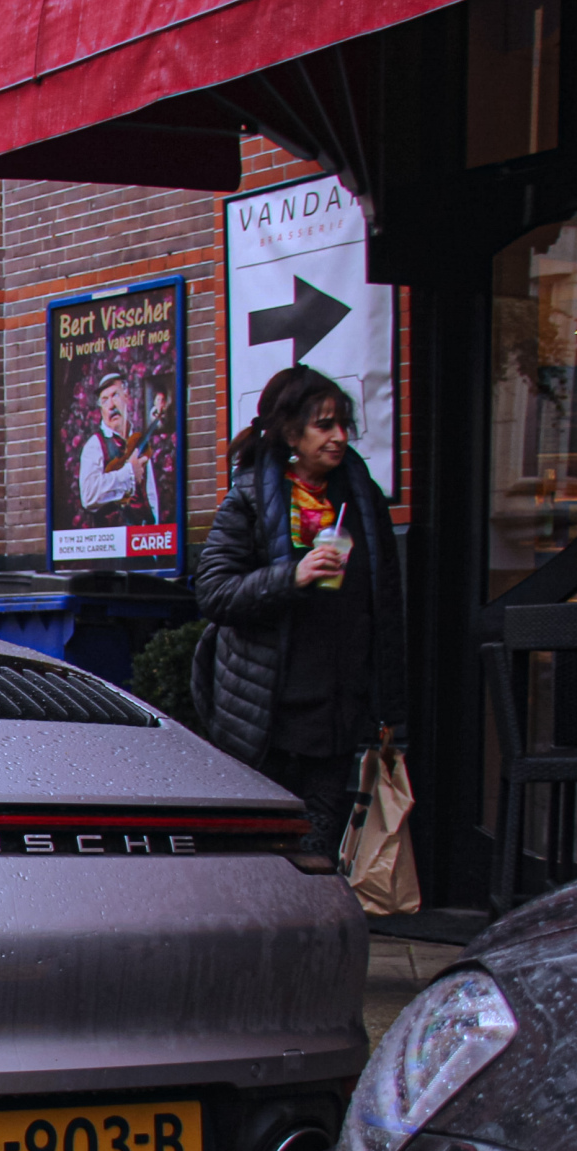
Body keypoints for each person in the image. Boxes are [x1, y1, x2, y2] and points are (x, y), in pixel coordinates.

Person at [194, 365, 407, 857]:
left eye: (342, 425)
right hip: (268, 715)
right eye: (324, 425)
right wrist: (292, 576)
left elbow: (387, 604)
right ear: (291, 431)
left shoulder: (362, 499)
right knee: (262, 853)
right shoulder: (250, 496)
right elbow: (214, 592)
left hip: (337, 711)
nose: (338, 437)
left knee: (318, 854)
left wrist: (389, 707)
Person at [76, 373, 162, 532]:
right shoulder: (95, 445)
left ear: (127, 397)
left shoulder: (138, 442)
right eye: (104, 400)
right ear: (101, 409)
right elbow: (88, 496)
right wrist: (129, 473)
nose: (111, 406)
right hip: (113, 546)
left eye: (115, 395)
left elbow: (150, 497)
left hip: (143, 544)